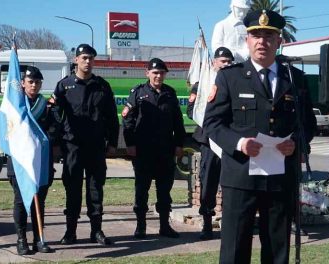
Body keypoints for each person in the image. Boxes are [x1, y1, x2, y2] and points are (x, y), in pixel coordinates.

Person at [203, 10, 317, 263]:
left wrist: (296, 144)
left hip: (280, 178)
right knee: (234, 249)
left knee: (277, 250)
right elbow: (212, 123)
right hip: (240, 176)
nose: (261, 41)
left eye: (268, 35)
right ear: (247, 40)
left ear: (279, 41)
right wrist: (240, 143)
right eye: (255, 35)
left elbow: (307, 124)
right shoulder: (230, 77)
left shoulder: (294, 78)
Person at [51, 44, 119, 246]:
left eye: (90, 58)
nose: (87, 61)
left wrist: (113, 143)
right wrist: (56, 142)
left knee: (95, 190)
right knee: (72, 189)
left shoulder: (102, 86)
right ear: (76, 60)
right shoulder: (64, 86)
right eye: (83, 58)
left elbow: (111, 118)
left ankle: (96, 231)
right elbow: (55, 115)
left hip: (96, 146)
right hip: (72, 147)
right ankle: (70, 232)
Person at [122, 58, 186, 239]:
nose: (158, 76)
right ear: (147, 73)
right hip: (143, 151)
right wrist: (130, 144)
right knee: (142, 190)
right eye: (155, 72)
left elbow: (177, 122)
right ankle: (140, 226)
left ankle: (164, 226)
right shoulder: (138, 92)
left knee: (164, 191)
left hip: (165, 150)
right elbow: (128, 120)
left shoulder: (170, 93)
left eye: (161, 73)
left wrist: (179, 144)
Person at [6, 66, 59, 255]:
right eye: (30, 82)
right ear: (22, 83)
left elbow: (54, 128)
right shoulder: (14, 106)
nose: (34, 85)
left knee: (40, 201)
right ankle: (22, 240)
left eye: (37, 82)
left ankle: (39, 239)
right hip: (20, 161)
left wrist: (42, 139)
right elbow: (7, 129)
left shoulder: (46, 105)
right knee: (21, 201)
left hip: (41, 160)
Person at [186, 47, 234, 240]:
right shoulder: (203, 84)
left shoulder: (236, 83)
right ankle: (207, 224)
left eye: (229, 61)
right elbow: (192, 110)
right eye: (222, 61)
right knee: (208, 183)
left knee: (232, 183)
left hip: (230, 140)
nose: (226, 64)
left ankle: (231, 224)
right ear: (214, 62)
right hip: (209, 140)